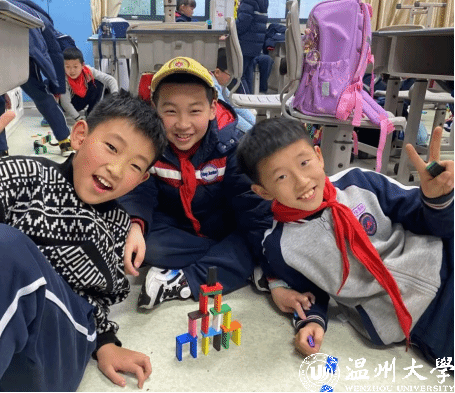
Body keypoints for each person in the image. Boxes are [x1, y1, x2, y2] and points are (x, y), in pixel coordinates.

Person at [0, 86, 168, 390]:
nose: (117, 169)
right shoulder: (15, 176)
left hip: (53, 349)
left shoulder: (118, 224)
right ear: (80, 135)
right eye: (111, 147)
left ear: (142, 179)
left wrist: (105, 341)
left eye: (135, 166)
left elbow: (100, 299)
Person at [236, 117, 454, 364]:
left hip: (444, 260)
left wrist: (437, 200)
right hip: (413, 319)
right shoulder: (280, 246)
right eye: (282, 177)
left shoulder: (359, 182)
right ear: (263, 192)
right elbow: (307, 293)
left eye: (304, 163)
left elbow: (427, 221)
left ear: (319, 156)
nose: (302, 181)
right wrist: (312, 322)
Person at [119, 56, 312, 314]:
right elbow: (139, 191)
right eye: (170, 111)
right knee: (144, 243)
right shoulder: (149, 145)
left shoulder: (231, 146)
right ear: (154, 108)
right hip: (177, 229)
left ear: (212, 108)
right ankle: (239, 264)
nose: (183, 124)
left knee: (257, 236)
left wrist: (276, 278)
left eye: (194, 111)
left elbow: (254, 211)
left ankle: (183, 279)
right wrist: (134, 225)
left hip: (226, 228)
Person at [0, 0, 73, 159]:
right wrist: (56, 88)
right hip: (23, 50)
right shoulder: (44, 20)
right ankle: (65, 141)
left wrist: (0, 90)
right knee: (40, 94)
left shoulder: (6, 6)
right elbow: (55, 54)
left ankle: (0, 152)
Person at [60, 46, 119, 122]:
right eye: (67, 67)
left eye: (75, 67)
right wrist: (79, 118)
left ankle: (91, 115)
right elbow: (65, 103)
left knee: (98, 84)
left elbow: (110, 79)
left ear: (82, 65)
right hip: (68, 104)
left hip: (82, 101)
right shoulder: (63, 78)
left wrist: (115, 97)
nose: (72, 71)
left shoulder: (88, 71)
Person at [235, 0, 269, 94]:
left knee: (238, 76)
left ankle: (244, 103)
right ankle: (249, 101)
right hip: (255, 44)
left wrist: (231, 30)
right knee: (247, 74)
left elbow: (243, 22)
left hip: (246, 42)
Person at [212, 48, 255, 133]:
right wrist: (252, 132)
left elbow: (234, 105)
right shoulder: (213, 86)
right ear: (217, 72)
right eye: (229, 74)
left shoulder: (221, 85)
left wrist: (256, 124)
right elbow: (227, 114)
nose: (231, 78)